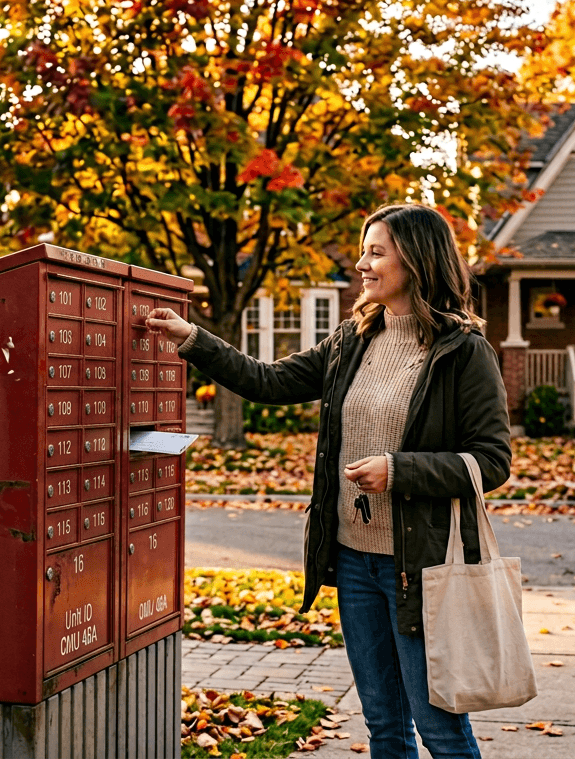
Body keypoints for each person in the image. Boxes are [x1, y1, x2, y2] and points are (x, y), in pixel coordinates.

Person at [146, 203, 511, 759]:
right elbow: (267, 381)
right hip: (354, 560)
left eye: (375, 252)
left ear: (415, 260)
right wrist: (192, 338)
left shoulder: (462, 351)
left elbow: (492, 460)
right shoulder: (352, 340)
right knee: (384, 725)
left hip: (420, 569)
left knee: (439, 729)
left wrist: (400, 470)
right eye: (363, 250)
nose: (362, 265)